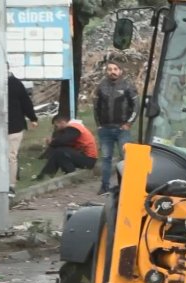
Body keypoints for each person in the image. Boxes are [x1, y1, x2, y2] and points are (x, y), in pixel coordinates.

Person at [0, 67, 38, 197]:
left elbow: (25, 102)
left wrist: (32, 118)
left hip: (14, 126)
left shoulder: (15, 83)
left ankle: (11, 185)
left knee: (11, 156)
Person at [94, 60, 138, 194]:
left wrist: (129, 123)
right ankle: (104, 186)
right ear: (106, 71)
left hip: (121, 129)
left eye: (115, 69)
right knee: (106, 159)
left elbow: (136, 106)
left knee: (125, 159)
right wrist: (99, 125)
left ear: (120, 71)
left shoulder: (128, 86)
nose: (112, 72)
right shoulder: (101, 87)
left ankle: (127, 187)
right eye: (109, 69)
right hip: (105, 129)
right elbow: (96, 107)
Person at [33, 115, 98, 180]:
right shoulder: (74, 128)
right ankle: (46, 176)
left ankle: (46, 176)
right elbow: (65, 143)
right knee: (59, 153)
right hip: (85, 157)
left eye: (56, 126)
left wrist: (52, 142)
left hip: (88, 159)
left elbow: (63, 140)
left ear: (62, 122)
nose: (56, 128)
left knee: (59, 152)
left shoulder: (73, 127)